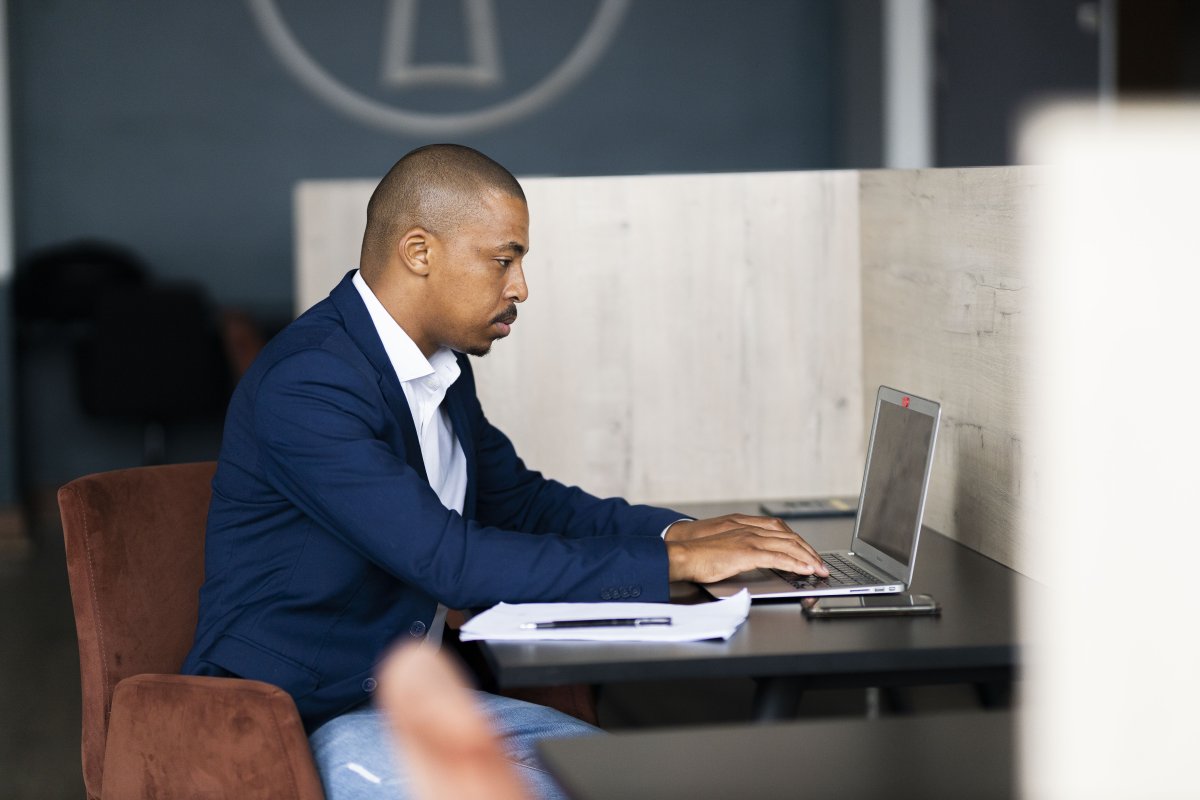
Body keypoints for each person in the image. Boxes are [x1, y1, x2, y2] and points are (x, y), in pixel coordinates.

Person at [182, 143, 828, 799]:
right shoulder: (310, 382)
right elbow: (446, 561)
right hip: (300, 716)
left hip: (416, 702)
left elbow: (522, 504)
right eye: (503, 260)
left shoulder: (441, 367)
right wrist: (674, 568)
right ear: (420, 252)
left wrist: (682, 536)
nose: (520, 286)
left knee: (637, 779)